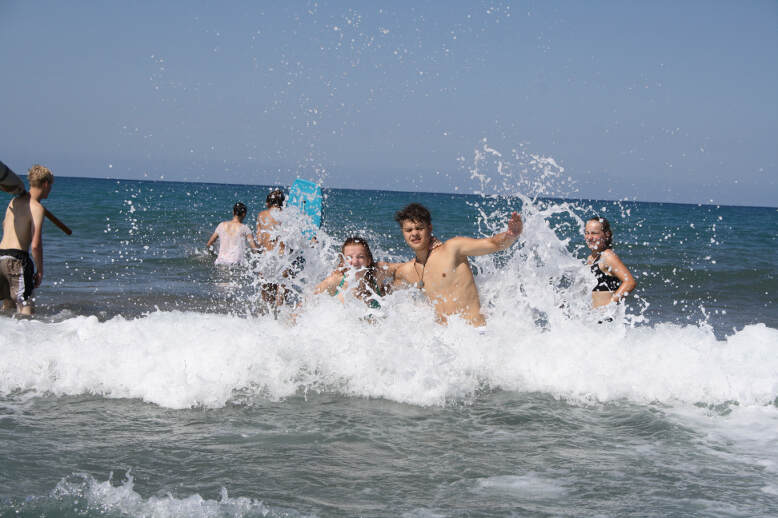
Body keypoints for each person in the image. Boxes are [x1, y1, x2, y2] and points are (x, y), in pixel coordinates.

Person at [390, 203, 522, 327]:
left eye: (419, 228)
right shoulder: (406, 271)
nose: (414, 233)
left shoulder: (453, 248)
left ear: (429, 228)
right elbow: (387, 299)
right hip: (442, 340)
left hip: (475, 334)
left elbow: (493, 243)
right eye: (409, 230)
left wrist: (510, 235)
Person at [0, 165, 54, 315]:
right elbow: (35, 245)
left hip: (1, 257)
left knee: (7, 308)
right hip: (17, 260)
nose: (50, 189)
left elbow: (5, 225)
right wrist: (40, 271)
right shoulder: (37, 208)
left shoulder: (13, 202)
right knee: (26, 310)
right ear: (45, 184)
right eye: (51, 185)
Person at [315, 236, 391, 309]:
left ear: (368, 261)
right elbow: (309, 301)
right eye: (349, 258)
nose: (354, 262)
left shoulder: (377, 276)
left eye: (360, 257)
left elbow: (402, 269)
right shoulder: (335, 281)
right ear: (343, 262)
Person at [584, 216, 636, 308]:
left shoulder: (607, 256)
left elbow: (629, 282)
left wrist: (610, 305)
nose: (589, 237)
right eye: (587, 233)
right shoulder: (590, 258)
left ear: (606, 234)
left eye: (594, 233)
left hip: (606, 319)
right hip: (592, 318)